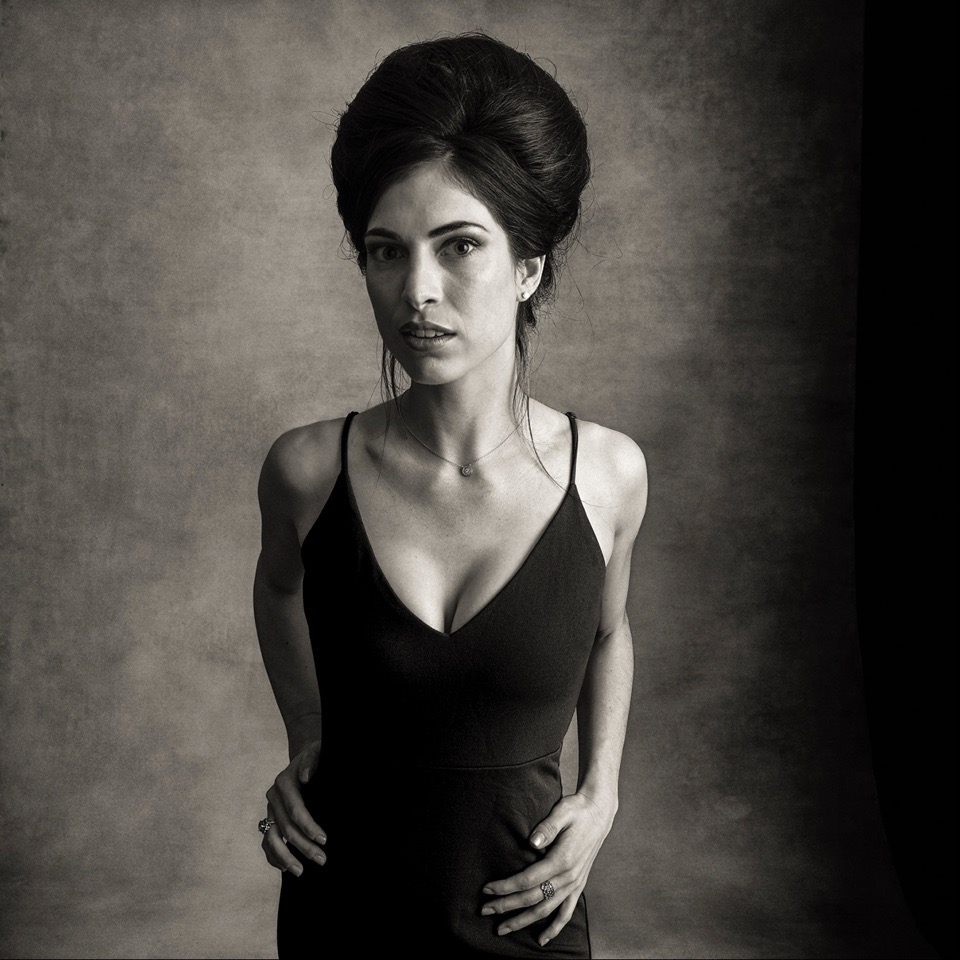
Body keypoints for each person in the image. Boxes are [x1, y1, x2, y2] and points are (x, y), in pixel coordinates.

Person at [253, 33, 647, 958]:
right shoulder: (307, 472)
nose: (416, 292)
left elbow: (608, 629)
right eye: (385, 252)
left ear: (528, 266)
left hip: (525, 915)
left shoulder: (608, 474)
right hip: (339, 909)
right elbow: (277, 591)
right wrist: (307, 733)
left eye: (459, 245)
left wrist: (604, 792)